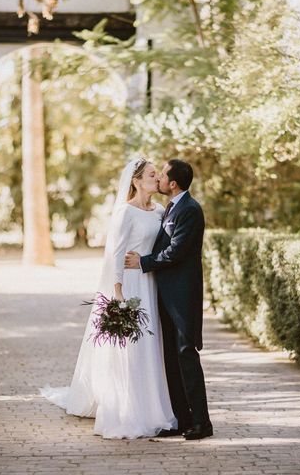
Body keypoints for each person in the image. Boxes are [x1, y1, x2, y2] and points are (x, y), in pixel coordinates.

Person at [41, 158, 177, 439]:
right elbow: (115, 253)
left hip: (150, 283)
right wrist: (118, 294)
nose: (157, 178)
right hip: (129, 284)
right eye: (152, 175)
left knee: (151, 345)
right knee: (130, 347)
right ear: (136, 181)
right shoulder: (125, 213)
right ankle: (127, 409)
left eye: (157, 174)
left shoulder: (160, 211)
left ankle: (154, 407)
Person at [125, 159, 213, 440]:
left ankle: (202, 422)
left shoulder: (190, 210)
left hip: (183, 296)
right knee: (171, 359)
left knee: (187, 356)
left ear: (172, 184)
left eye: (162, 175)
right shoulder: (169, 209)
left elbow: (175, 252)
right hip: (165, 295)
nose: (159, 179)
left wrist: (143, 262)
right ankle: (181, 420)